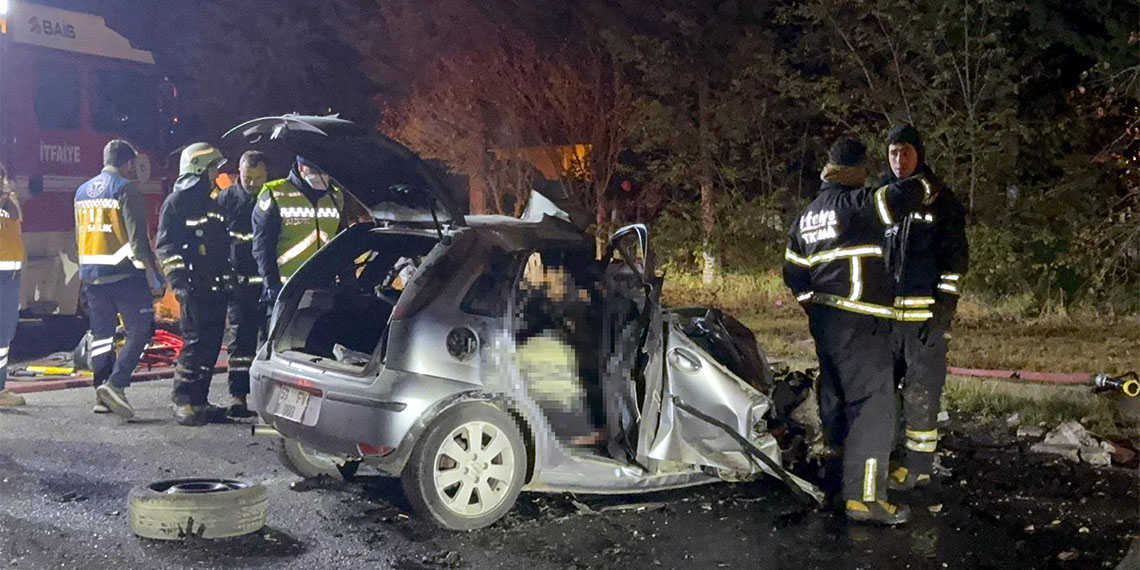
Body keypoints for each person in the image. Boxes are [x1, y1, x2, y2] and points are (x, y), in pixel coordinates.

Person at [783, 137, 929, 525]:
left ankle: (836, 483)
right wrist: (922, 178)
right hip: (862, 323)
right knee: (873, 407)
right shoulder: (859, 206)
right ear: (856, 171)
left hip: (825, 325)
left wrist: (817, 312)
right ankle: (865, 499)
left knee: (836, 401)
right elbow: (908, 195)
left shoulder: (807, 216)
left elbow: (793, 274)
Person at [876, 125, 969, 490]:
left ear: (920, 153)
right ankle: (890, 457)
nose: (900, 161)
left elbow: (955, 262)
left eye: (906, 152)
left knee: (921, 393)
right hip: (884, 321)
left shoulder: (941, 200)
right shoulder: (882, 199)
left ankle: (919, 467)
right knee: (883, 392)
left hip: (924, 320)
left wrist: (943, 312)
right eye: (894, 152)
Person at [74, 140, 163, 419]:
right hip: (124, 274)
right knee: (141, 329)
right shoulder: (126, 189)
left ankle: (101, 391)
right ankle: (117, 384)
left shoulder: (81, 191)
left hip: (91, 275)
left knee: (102, 336)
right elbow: (137, 240)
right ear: (126, 163)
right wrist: (155, 276)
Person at [156, 143, 234, 426]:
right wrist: (178, 282)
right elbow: (165, 247)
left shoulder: (212, 203)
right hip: (193, 286)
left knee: (211, 346)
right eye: (213, 168)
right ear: (200, 169)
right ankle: (183, 400)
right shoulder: (176, 203)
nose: (217, 173)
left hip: (216, 287)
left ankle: (200, 400)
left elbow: (222, 246)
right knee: (194, 344)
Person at [215, 151, 269, 418]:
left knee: (271, 340)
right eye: (248, 178)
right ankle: (238, 396)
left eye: (259, 178)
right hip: (240, 283)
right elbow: (217, 242)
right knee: (240, 342)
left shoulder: (272, 197)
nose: (253, 184)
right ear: (239, 172)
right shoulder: (226, 199)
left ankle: (269, 398)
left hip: (270, 282)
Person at [251, 156, 345, 306]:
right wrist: (272, 284)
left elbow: (343, 242)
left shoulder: (335, 196)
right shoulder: (275, 193)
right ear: (301, 167)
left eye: (324, 171)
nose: (321, 175)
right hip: (288, 288)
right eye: (314, 170)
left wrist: (348, 283)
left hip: (325, 286)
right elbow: (262, 247)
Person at [0, 166, 25, 407]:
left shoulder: (8, 205)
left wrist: (9, 199)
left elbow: (19, 220)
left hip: (9, 276)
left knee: (4, 334)